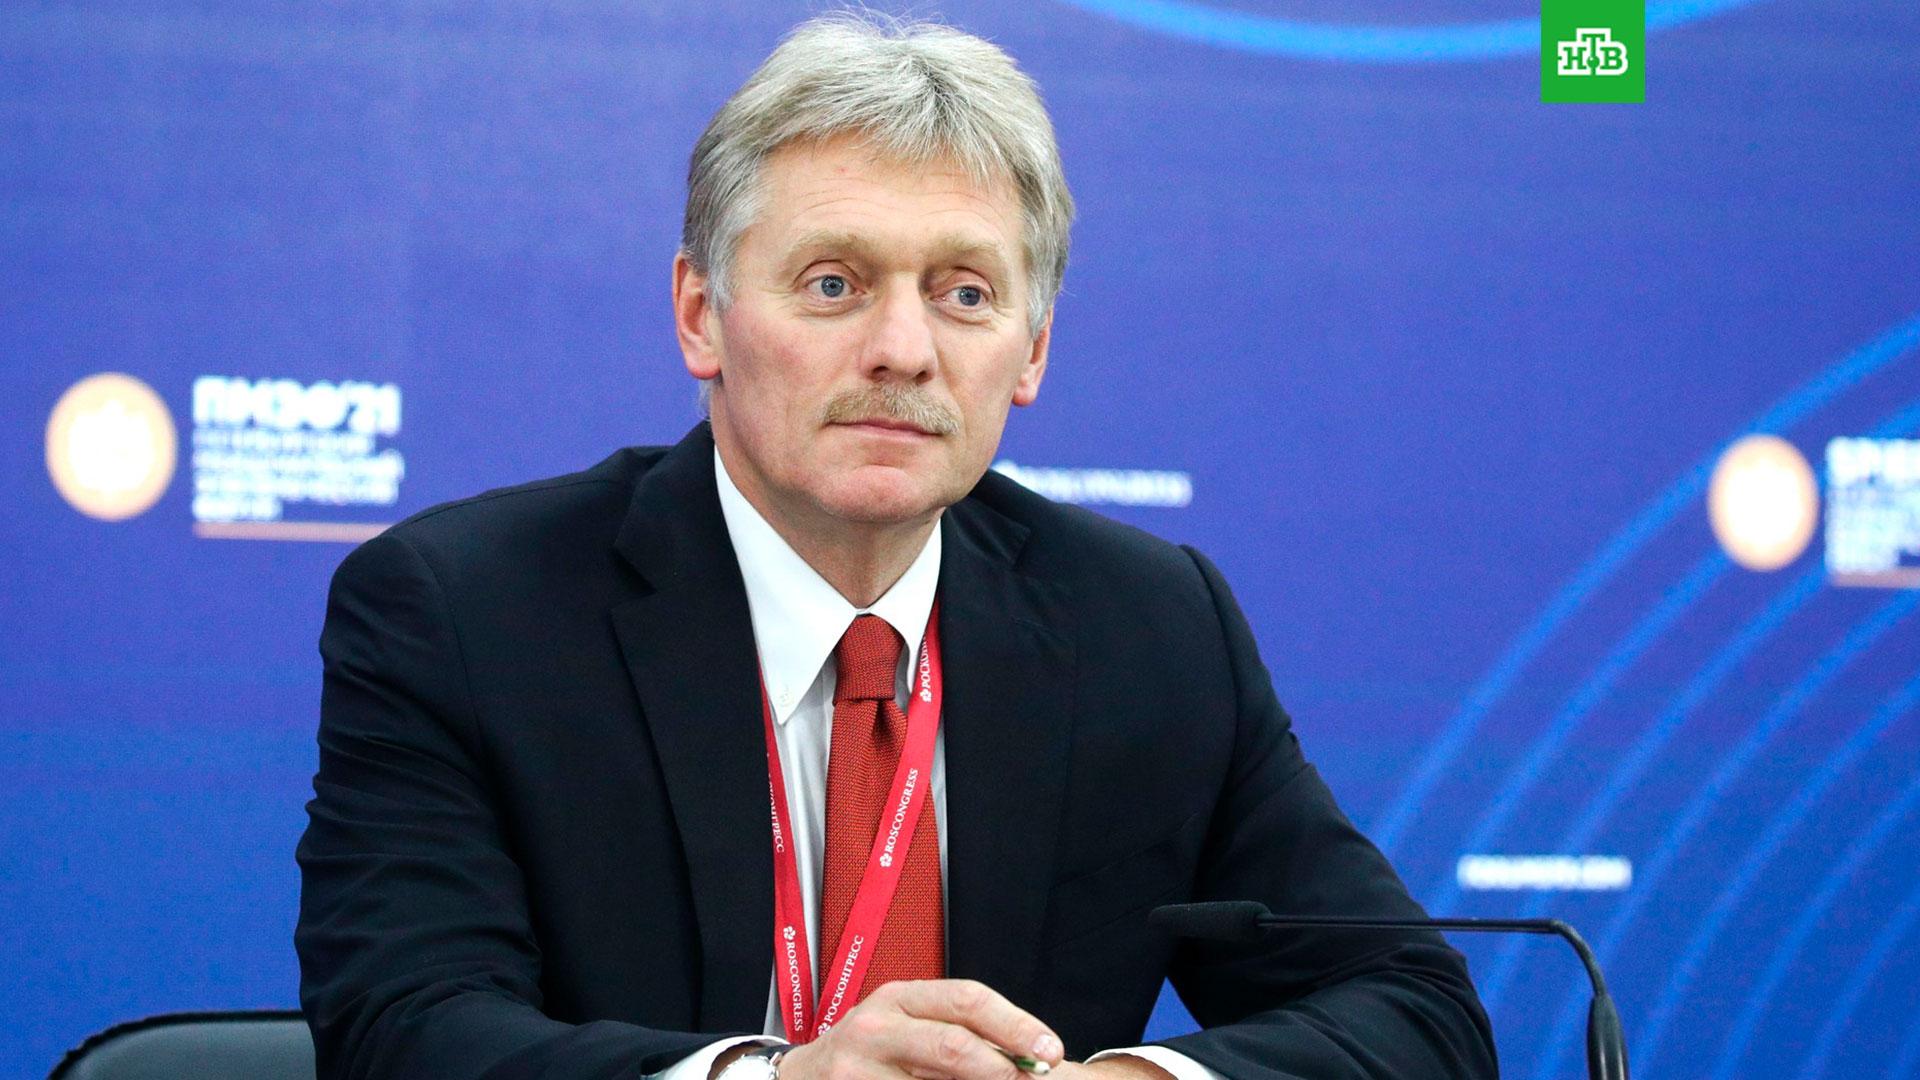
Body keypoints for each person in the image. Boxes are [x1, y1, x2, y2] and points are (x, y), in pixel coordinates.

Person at [295, 14, 1497, 1080]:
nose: (905, 351)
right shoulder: (469, 614)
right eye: (834, 283)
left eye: (965, 293)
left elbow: (1414, 1011)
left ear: (1031, 353)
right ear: (702, 315)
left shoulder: (1151, 627)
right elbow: (405, 1032)